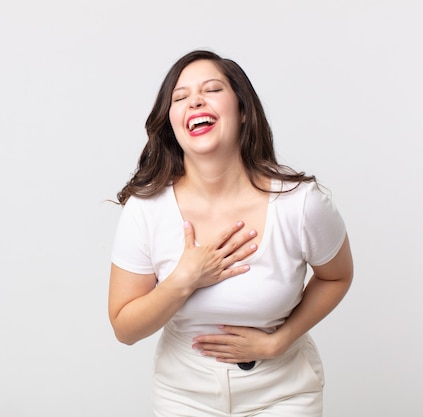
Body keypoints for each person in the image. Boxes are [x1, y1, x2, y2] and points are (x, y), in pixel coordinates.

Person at [108, 49, 353, 417]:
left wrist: (279, 342)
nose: (195, 101)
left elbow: (337, 277)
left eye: (212, 89)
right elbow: (124, 329)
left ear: (242, 109)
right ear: (171, 122)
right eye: (180, 97)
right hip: (184, 396)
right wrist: (184, 279)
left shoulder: (300, 203)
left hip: (283, 394)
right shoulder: (146, 209)